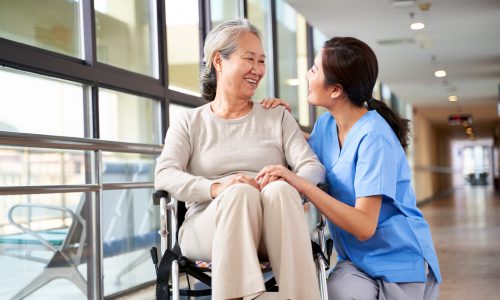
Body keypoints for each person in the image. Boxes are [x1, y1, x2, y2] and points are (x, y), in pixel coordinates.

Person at [258, 36, 442, 300]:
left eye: (314, 69)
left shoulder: (374, 137)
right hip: (357, 261)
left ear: (336, 90)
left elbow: (365, 225)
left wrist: (302, 185)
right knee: (335, 292)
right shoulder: (325, 125)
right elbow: (302, 146)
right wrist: (281, 119)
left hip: (400, 262)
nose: (307, 75)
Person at [154, 19, 324, 300]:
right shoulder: (190, 121)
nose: (257, 70)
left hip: (273, 228)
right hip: (210, 227)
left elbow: (312, 168)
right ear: (219, 61)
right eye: (249, 59)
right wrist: (217, 188)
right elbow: (165, 173)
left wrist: (291, 179)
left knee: (281, 188)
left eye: (262, 61)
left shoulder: (277, 116)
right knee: (239, 193)